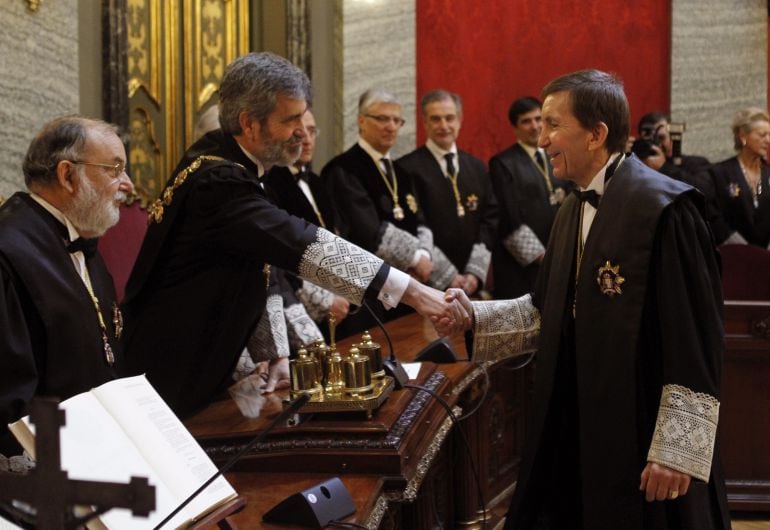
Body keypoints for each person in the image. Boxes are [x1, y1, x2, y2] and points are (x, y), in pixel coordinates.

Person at [439, 69, 730, 529]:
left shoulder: (668, 210)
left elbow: (696, 336)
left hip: (645, 441)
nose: (542, 139)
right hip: (578, 424)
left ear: (597, 134)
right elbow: (548, 310)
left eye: (554, 125)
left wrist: (676, 451)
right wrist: (471, 316)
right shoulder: (572, 207)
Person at [121, 52, 462, 417]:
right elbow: (302, 243)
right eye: (291, 120)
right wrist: (415, 293)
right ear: (249, 123)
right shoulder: (217, 182)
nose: (302, 131)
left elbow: (259, 267)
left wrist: (275, 353)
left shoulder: (229, 160)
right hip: (168, 380)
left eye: (303, 117)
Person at [0, 116, 134, 459]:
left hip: (100, 450)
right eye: (114, 169)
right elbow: (11, 400)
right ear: (67, 175)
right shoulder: (9, 252)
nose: (128, 184)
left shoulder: (83, 242)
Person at [321, 89, 439, 286]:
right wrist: (416, 259)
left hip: (411, 282)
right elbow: (365, 230)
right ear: (361, 121)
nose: (391, 127)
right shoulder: (343, 169)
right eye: (382, 119)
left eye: (396, 121)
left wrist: (424, 254)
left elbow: (421, 221)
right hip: (371, 283)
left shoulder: (401, 173)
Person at [397, 89, 498, 295]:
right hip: (427, 285)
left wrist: (474, 273)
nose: (444, 126)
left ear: (460, 120)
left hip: (471, 282)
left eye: (449, 118)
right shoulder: (405, 169)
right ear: (424, 122)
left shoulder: (477, 167)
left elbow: (490, 219)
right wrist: (448, 276)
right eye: (435, 119)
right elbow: (412, 227)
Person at [264, 109, 350, 326]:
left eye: (312, 132)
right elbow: (281, 256)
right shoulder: (271, 183)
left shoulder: (317, 182)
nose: (308, 141)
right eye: (300, 134)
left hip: (341, 299)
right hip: (302, 306)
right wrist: (325, 299)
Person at [488, 96, 569, 298]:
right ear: (515, 128)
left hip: (561, 254)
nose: (534, 126)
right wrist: (543, 258)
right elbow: (509, 216)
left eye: (538, 119)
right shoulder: (503, 163)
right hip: (523, 265)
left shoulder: (560, 156)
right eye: (526, 121)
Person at [709, 107, 770, 248]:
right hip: (733, 255)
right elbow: (714, 216)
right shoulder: (721, 172)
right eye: (762, 135)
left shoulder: (768, 171)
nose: (768, 140)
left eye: (769, 135)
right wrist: (739, 246)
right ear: (743, 136)